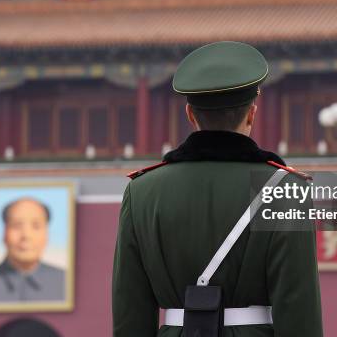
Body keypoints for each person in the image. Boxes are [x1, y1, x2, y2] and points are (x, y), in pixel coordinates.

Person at [112, 41, 323, 336]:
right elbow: (299, 308)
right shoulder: (285, 189)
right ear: (252, 113)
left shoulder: (141, 192)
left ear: (190, 115)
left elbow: (129, 312)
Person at [0, 197, 65, 302]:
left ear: (47, 235)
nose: (26, 236)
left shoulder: (65, 281)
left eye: (36, 226)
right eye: (16, 226)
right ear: (4, 233)